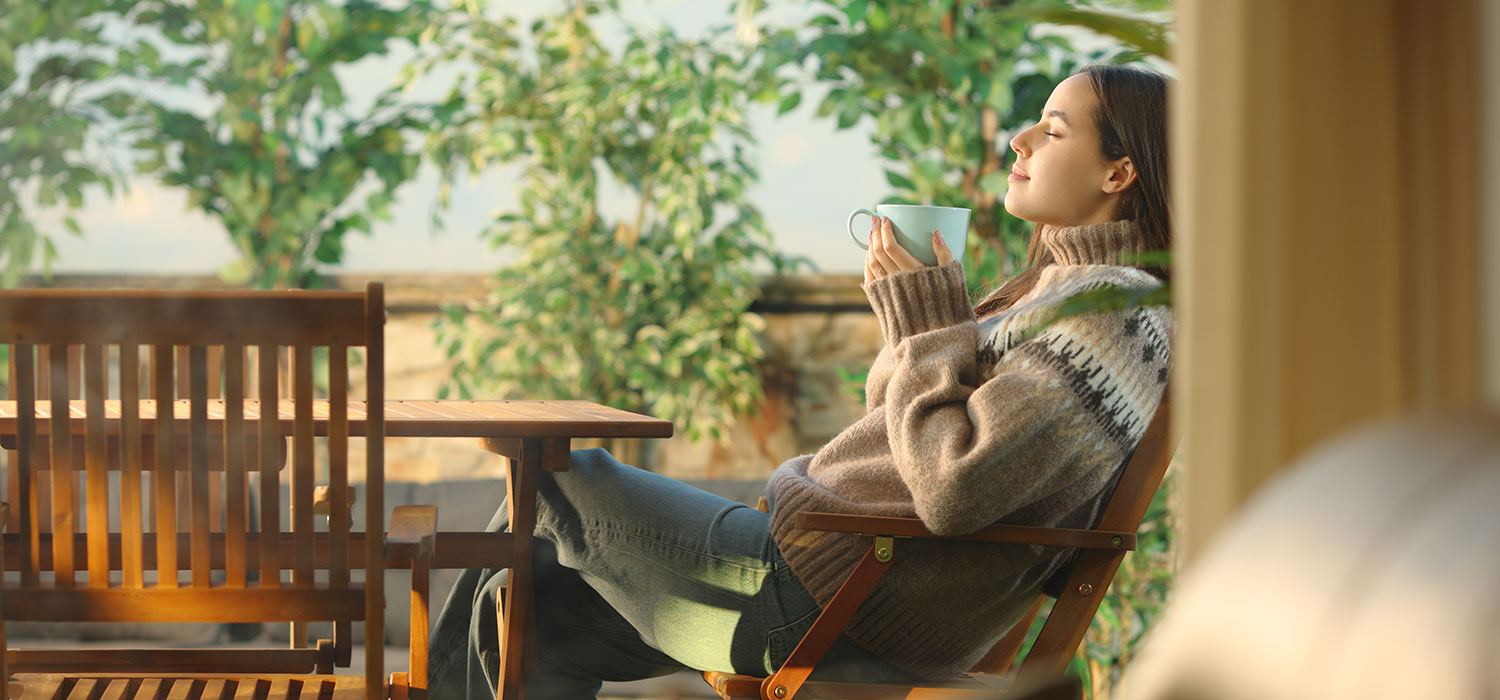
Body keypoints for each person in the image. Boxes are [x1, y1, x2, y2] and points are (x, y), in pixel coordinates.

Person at [428, 63, 1174, 699]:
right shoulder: (1065, 295)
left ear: (1120, 171)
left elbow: (951, 487)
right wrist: (917, 320)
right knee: (531, 605)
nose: (1021, 140)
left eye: (1054, 128)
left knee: (557, 475)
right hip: (837, 583)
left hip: (834, 602)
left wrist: (930, 325)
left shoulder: (1104, 313)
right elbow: (901, 425)